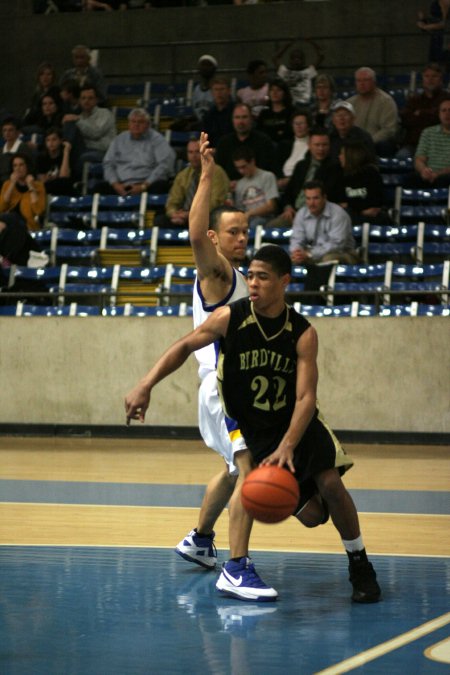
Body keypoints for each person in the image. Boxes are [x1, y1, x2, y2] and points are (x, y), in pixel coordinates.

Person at [124, 243, 381, 605]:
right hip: (248, 423)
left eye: (263, 277)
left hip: (295, 422)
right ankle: (236, 566)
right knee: (280, 498)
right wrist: (145, 384)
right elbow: (184, 346)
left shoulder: (302, 332)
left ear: (284, 282)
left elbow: (307, 398)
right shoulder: (231, 317)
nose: (254, 283)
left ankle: (360, 564)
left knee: (330, 485)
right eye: (252, 275)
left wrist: (289, 444)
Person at [171, 132, 277, 602]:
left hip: (231, 388)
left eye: (245, 232)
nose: (242, 238)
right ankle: (237, 567)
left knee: (234, 471)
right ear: (216, 238)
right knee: (250, 472)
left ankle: (199, 540)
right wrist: (207, 172)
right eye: (233, 231)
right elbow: (194, 234)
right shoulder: (215, 273)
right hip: (220, 388)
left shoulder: (241, 280)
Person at [268, 127, 343, 228]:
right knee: (270, 227)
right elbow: (288, 193)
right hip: (293, 213)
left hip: (318, 214)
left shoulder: (335, 167)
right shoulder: (301, 165)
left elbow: (331, 195)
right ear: (309, 145)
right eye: (317, 145)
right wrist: (288, 207)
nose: (321, 149)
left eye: (324, 145)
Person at [98, 108, 176, 195]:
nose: (136, 125)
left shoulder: (157, 140)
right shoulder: (119, 140)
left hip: (148, 185)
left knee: (161, 186)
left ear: (148, 124)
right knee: (99, 188)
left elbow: (165, 164)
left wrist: (144, 186)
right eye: (133, 122)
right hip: (121, 185)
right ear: (129, 124)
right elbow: (108, 164)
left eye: (140, 122)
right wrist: (116, 185)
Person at [155, 137, 229, 227]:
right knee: (160, 220)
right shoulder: (183, 175)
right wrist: (174, 214)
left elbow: (216, 203)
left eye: (197, 152)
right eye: (190, 152)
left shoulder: (216, 172)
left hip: (206, 217)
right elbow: (172, 201)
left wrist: (190, 214)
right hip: (184, 216)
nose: (193, 156)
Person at [290, 179, 359, 265]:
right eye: (308, 198)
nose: (311, 203)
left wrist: (310, 254)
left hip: (344, 253)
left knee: (328, 259)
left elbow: (336, 245)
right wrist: (297, 253)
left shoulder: (338, 214)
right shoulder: (301, 214)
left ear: (324, 198)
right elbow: (296, 238)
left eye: (316, 198)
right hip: (312, 253)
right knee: (290, 260)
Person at [397, 62, 448, 159]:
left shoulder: (447, 99)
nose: (430, 79)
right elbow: (405, 119)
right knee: (401, 157)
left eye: (434, 76)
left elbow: (440, 119)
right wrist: (431, 113)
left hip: (441, 144)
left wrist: (420, 113)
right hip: (414, 144)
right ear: (423, 78)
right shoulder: (414, 100)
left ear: (441, 79)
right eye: (427, 76)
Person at [215, 103, 276, 182]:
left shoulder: (264, 141)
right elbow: (218, 171)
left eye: (244, 117)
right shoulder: (224, 143)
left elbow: (268, 170)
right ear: (232, 120)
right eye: (237, 117)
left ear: (251, 119)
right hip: (229, 188)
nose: (241, 121)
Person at [346, 67, 399, 157]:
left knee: (384, 145)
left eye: (366, 80)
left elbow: (389, 130)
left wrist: (368, 141)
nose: (362, 84)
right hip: (354, 144)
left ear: (374, 82)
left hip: (376, 144)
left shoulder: (386, 101)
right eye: (359, 81)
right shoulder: (349, 103)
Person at [62, 85, 116, 168]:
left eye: (90, 98)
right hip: (84, 150)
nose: (86, 101)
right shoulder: (79, 117)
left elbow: (96, 133)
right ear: (79, 101)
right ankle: (65, 150)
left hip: (103, 151)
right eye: (83, 98)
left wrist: (78, 121)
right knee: (69, 124)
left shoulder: (105, 113)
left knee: (78, 157)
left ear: (96, 100)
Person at [337, 140, 384, 224]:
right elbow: (340, 202)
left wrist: (351, 205)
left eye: (342, 154)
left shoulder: (371, 173)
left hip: (372, 219)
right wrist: (360, 210)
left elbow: (375, 203)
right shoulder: (341, 175)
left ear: (351, 156)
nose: (339, 157)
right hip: (349, 217)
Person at [408, 95, 450, 187]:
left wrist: (438, 174)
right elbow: (419, 159)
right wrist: (424, 170)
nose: (447, 114)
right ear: (439, 114)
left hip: (446, 176)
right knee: (410, 179)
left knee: (444, 180)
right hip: (429, 175)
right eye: (443, 110)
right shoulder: (428, 132)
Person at [232, 145, 279, 227]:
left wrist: (250, 213)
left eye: (243, 167)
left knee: (255, 223)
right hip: (247, 219)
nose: (241, 171)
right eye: (238, 168)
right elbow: (240, 209)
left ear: (252, 161)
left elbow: (271, 206)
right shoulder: (239, 184)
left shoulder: (267, 176)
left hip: (266, 218)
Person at [0, 153, 46, 232]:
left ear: (27, 166)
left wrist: (31, 186)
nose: (18, 168)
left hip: (27, 226)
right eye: (15, 166)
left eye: (21, 165)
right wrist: (12, 184)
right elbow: (1, 207)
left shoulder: (38, 186)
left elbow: (38, 211)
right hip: (7, 225)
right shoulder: (7, 184)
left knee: (11, 218)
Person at [273, 39, 324, 106]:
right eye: (293, 58)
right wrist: (287, 45)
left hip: (304, 104)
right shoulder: (285, 72)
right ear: (290, 61)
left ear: (303, 61)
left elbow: (321, 56)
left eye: (299, 58)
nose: (296, 60)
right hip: (288, 105)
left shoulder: (308, 71)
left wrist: (312, 42)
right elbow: (274, 58)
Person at [275, 109, 311, 190]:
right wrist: (280, 179)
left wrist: (290, 180)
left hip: (302, 182)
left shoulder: (313, 145)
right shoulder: (284, 145)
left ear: (309, 126)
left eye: (301, 123)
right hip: (282, 180)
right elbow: (276, 165)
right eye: (296, 123)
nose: (298, 126)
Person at [36, 127, 76, 196]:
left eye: (54, 139)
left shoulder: (67, 156)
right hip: (47, 189)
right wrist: (49, 178)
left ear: (61, 141)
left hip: (64, 189)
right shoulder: (41, 158)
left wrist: (66, 152)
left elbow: (64, 177)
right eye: (48, 140)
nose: (51, 143)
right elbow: (41, 180)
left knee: (63, 183)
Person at [256, 78, 294, 144]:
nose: (274, 93)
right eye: (272, 90)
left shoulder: (291, 112)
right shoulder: (264, 113)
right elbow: (259, 133)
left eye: (278, 90)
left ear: (285, 93)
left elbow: (289, 133)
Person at [22, 62, 60, 129]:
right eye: (42, 74)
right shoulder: (37, 94)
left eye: (48, 74)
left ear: (53, 76)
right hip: (34, 123)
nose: (45, 77)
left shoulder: (57, 92)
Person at [0, 117, 36, 186]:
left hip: (18, 183)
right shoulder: (1, 150)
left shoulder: (24, 148)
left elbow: (29, 171)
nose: (7, 133)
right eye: (4, 130)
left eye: (10, 130)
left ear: (17, 132)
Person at [201, 76, 235, 148]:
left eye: (222, 89)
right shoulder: (208, 115)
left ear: (229, 91)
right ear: (212, 92)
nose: (219, 93)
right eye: (216, 89)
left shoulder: (236, 111)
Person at [191, 55, 218, 124]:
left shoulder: (218, 89)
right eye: (203, 65)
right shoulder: (196, 90)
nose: (205, 68)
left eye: (208, 65)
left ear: (214, 69)